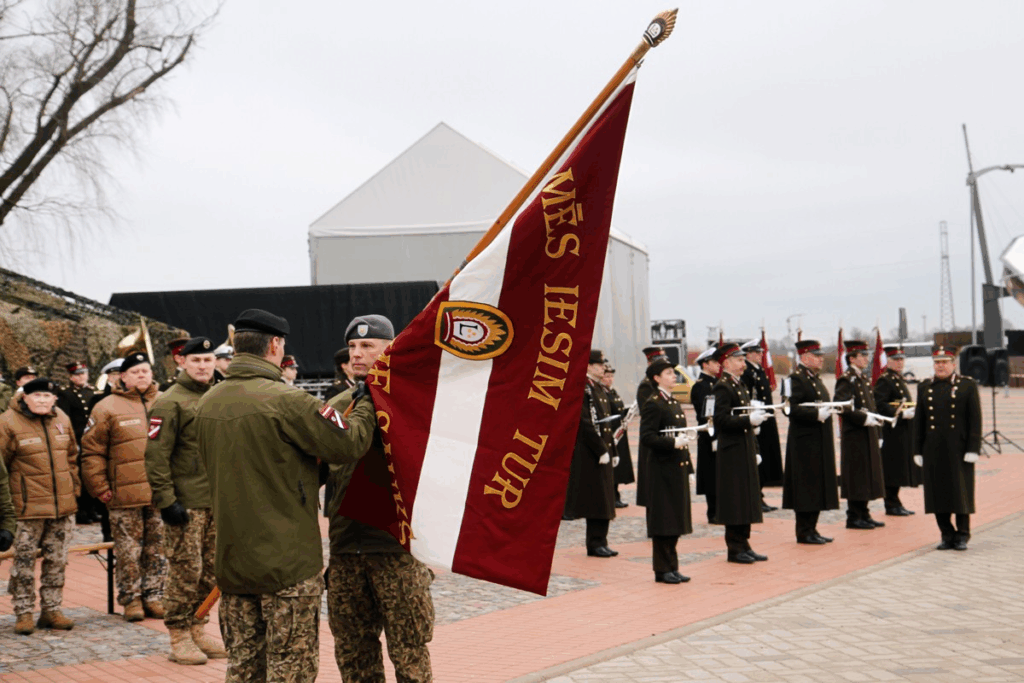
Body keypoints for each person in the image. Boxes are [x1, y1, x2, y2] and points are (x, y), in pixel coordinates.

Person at [195, 309, 376, 683]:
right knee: (291, 669)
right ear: (275, 344)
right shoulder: (289, 401)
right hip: (287, 564)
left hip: (233, 562)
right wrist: (366, 404)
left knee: (243, 668)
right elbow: (350, 442)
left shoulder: (208, 402)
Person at [324, 314, 436, 682]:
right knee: (354, 653)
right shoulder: (338, 404)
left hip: (395, 548)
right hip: (346, 546)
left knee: (410, 651)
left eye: (367, 346)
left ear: (390, 349)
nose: (356, 354)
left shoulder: (413, 401)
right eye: (352, 346)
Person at [144, 337, 224, 665]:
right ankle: (178, 634)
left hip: (217, 500)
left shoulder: (220, 396)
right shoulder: (169, 402)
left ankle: (198, 627)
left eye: (208, 360)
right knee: (185, 570)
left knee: (212, 571)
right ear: (183, 362)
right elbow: (156, 456)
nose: (203, 366)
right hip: (186, 503)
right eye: (196, 361)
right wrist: (166, 500)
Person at [81, 352, 166, 622]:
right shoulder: (106, 407)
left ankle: (154, 595)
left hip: (159, 492)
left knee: (157, 548)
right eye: (135, 372)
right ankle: (131, 599)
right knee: (128, 550)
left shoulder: (165, 402)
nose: (141, 375)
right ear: (123, 377)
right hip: (123, 493)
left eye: (145, 371)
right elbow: (91, 451)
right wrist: (99, 487)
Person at [0, 378, 80, 635]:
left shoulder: (62, 419)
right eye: (37, 396)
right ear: (25, 397)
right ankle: (23, 612)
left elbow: (72, 456)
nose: (43, 400)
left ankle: (51, 609)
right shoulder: (7, 422)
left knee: (57, 561)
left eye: (47, 396)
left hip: (62, 508)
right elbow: (1, 468)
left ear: (55, 399)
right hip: (26, 509)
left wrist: (74, 489)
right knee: (23, 564)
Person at [913, 346, 982, 550]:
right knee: (937, 493)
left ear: (953, 364)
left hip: (958, 448)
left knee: (960, 492)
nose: (940, 366)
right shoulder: (925, 386)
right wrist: (917, 450)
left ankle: (962, 534)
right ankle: (946, 534)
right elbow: (919, 421)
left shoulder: (967, 385)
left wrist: (973, 448)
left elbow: (975, 419)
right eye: (937, 363)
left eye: (944, 362)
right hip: (933, 448)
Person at [639, 356, 693, 584]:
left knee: (676, 520)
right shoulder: (654, 403)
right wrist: (672, 443)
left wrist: (689, 467)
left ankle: (673, 566)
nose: (674, 376)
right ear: (657, 378)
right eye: (669, 373)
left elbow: (680, 433)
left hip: (676, 467)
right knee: (664, 521)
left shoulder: (672, 401)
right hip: (661, 470)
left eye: (673, 372)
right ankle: (662, 570)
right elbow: (647, 437)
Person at [711, 343, 767, 564]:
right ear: (726, 363)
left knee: (746, 498)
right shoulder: (723, 387)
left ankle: (744, 543)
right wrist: (748, 420)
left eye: (744, 360)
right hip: (732, 451)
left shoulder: (739, 384)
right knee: (735, 499)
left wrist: (753, 433)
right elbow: (720, 419)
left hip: (743, 447)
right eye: (739, 360)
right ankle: (734, 548)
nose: (743, 364)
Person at [781, 339, 840, 544]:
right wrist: (815, 414)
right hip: (804, 444)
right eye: (817, 356)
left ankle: (812, 529)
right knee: (806, 487)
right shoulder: (795, 379)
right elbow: (789, 408)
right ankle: (804, 531)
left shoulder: (815, 379)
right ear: (805, 357)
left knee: (816, 486)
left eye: (821, 356)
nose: (821, 359)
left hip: (819, 440)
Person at [565, 349, 618, 557]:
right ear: (588, 366)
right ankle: (595, 543)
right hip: (591, 452)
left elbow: (606, 425)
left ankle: (602, 541)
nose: (603, 368)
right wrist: (600, 449)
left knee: (605, 498)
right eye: (599, 364)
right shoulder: (583, 388)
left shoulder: (597, 387)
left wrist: (612, 450)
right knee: (597, 500)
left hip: (602, 450)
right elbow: (584, 422)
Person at [834, 340, 885, 530]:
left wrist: (877, 430)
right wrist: (863, 418)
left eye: (866, 355)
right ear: (852, 358)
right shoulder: (847, 379)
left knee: (867, 474)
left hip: (867, 433)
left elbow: (871, 405)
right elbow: (841, 406)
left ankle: (864, 513)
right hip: (855, 435)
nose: (866, 358)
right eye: (862, 355)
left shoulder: (862, 378)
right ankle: (854, 516)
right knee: (857, 475)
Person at [873, 345, 920, 516]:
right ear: (888, 361)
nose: (900, 363)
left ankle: (895, 502)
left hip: (901, 430)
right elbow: (879, 404)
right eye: (896, 360)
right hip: (891, 431)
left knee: (899, 468)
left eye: (901, 360)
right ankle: (891, 504)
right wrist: (899, 413)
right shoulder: (885, 380)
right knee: (892, 469)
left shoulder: (897, 378)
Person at [740, 339, 783, 512]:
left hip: (766, 419)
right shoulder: (747, 372)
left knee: (767, 458)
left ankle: (760, 494)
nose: (760, 355)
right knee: (759, 458)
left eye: (761, 352)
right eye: (756, 352)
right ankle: (756, 496)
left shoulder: (759, 370)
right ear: (748, 354)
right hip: (757, 420)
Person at [57, 361, 100, 525]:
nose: (81, 377)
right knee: (80, 475)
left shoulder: (92, 392)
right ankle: (81, 510)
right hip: (77, 439)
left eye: (83, 373)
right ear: (71, 377)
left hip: (94, 438)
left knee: (93, 473)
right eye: (77, 375)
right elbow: (65, 419)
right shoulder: (66, 394)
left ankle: (92, 508)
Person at [635, 346, 669, 507]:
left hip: (663, 438)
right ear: (650, 363)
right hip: (654, 437)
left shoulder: (660, 385)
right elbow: (649, 415)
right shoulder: (646, 386)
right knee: (652, 485)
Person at [691, 347, 720, 524]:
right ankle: (713, 512)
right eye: (714, 362)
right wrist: (714, 436)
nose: (718, 365)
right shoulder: (701, 386)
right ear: (705, 364)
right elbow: (705, 414)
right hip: (709, 435)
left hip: (719, 433)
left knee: (721, 473)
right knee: (711, 475)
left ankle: (721, 509)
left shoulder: (717, 383)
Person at [602, 365, 634, 508]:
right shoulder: (602, 393)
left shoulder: (612, 391)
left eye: (611, 376)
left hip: (619, 434)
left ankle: (616, 495)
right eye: (607, 376)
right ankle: (612, 497)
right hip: (611, 434)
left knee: (619, 467)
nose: (609, 379)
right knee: (612, 468)